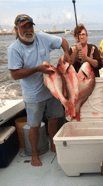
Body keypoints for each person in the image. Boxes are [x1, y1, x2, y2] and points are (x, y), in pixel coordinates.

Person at [8, 14, 72, 167]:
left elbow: (63, 41)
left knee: (54, 118)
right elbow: (15, 74)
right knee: (34, 125)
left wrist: (67, 53)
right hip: (33, 93)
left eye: (30, 26)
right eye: (24, 27)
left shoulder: (42, 37)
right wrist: (37, 69)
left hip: (51, 89)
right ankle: (34, 154)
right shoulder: (14, 49)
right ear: (17, 29)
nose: (29, 30)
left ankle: (53, 145)